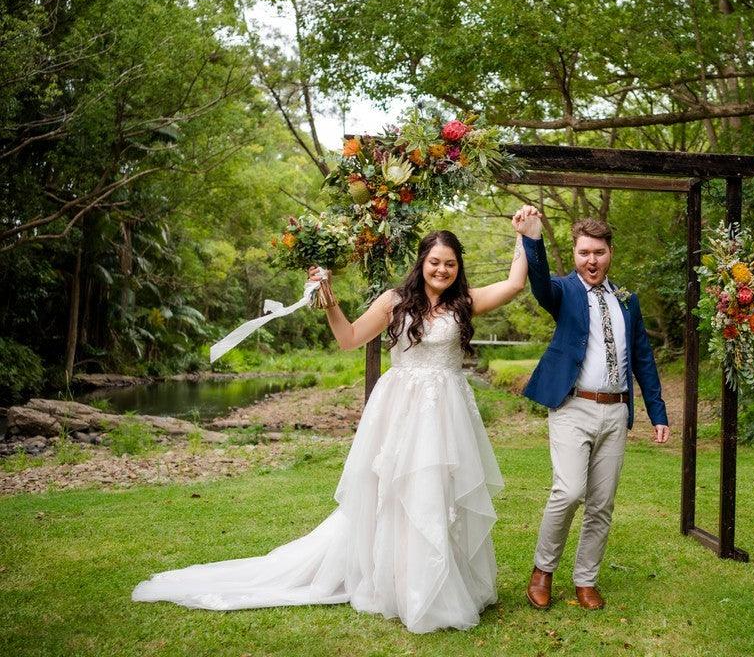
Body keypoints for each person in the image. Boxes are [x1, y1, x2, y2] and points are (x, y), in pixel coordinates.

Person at [133, 225, 528, 633]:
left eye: (449, 263)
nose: (441, 269)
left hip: (447, 413)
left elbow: (516, 283)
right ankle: (404, 586)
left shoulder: (465, 302)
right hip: (402, 413)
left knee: (441, 494)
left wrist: (524, 235)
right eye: (434, 262)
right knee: (398, 493)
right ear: (421, 262)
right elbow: (349, 338)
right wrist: (329, 301)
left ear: (458, 266)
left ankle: (441, 582)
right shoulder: (394, 301)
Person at [513, 206, 669, 611]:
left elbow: (643, 357)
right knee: (569, 491)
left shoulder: (627, 300)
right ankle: (543, 570)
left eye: (598, 252)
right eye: (584, 253)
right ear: (576, 254)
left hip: (616, 411)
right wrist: (533, 239)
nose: (591, 260)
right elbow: (541, 285)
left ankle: (586, 580)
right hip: (573, 407)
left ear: (609, 253)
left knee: (601, 502)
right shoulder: (563, 291)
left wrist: (658, 412)